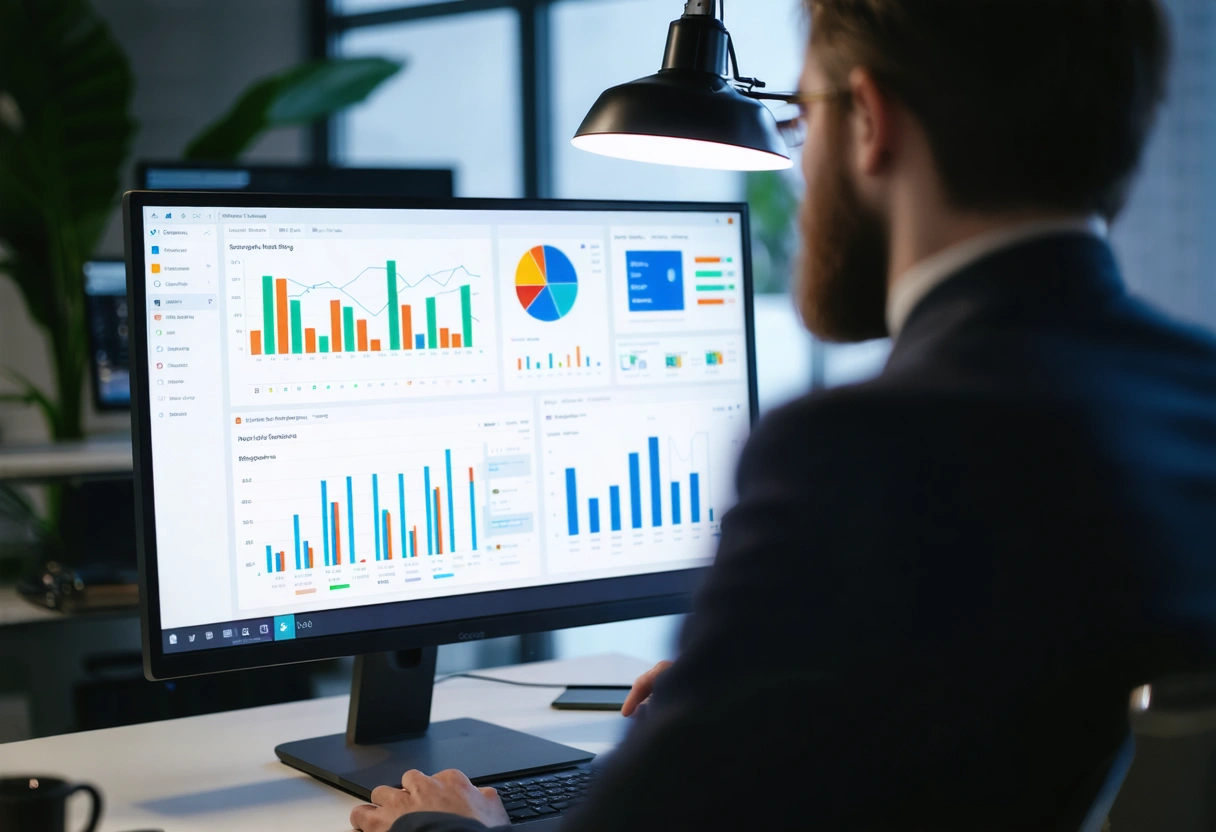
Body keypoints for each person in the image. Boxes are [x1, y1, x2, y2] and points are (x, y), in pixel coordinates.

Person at [352, 0, 1216, 829]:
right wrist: (767, 682)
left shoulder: (863, 451)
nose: (798, 163)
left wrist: (444, 830)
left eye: (800, 118)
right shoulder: (1191, 398)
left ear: (870, 118)